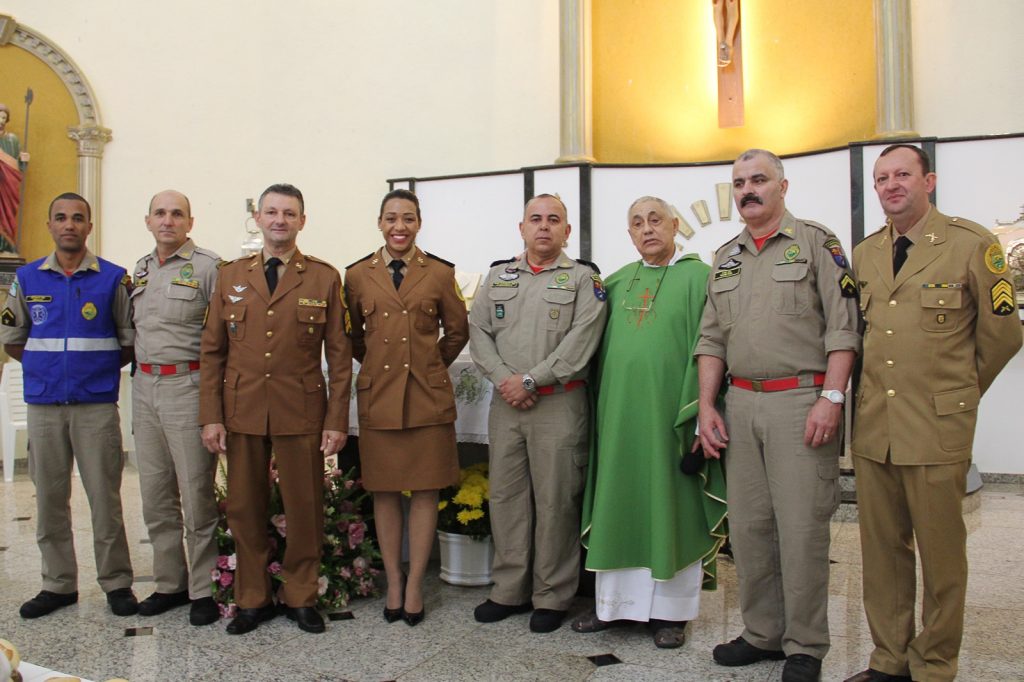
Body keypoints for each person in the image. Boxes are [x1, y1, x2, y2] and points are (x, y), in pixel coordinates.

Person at [844, 145, 1022, 682]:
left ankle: (935, 664)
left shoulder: (973, 245)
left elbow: (1003, 335)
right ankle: (889, 659)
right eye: (881, 178)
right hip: (876, 429)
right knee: (881, 556)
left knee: (942, 558)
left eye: (902, 174)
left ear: (930, 180)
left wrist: (958, 394)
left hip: (938, 430)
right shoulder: (865, 253)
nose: (891, 185)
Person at [696, 149, 861, 682]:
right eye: (740, 181)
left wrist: (832, 398)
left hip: (801, 402)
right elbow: (711, 338)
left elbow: (844, 327)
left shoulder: (816, 242)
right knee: (749, 528)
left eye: (759, 179)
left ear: (782, 187)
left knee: (801, 529)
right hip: (740, 404)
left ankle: (806, 644)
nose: (749, 189)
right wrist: (705, 406)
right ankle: (762, 633)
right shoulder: (725, 257)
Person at [199, 183, 351, 635]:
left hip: (300, 411)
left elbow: (339, 358)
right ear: (258, 218)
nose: (280, 220)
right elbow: (212, 352)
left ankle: (301, 594)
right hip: (242, 409)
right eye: (271, 212)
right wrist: (211, 415)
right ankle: (252, 598)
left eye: (289, 213)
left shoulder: (323, 277)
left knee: (304, 507)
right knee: (244, 509)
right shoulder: (230, 276)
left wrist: (336, 420)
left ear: (303, 220)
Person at [575, 196, 727, 649]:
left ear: (675, 225)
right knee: (620, 501)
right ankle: (613, 609)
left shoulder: (701, 278)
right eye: (637, 223)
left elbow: (713, 345)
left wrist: (699, 410)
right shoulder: (618, 282)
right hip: (620, 419)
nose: (647, 229)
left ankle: (671, 614)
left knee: (670, 506)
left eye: (655, 219)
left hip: (672, 418)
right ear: (629, 234)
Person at [468, 194, 607, 633]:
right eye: (535, 219)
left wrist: (531, 380)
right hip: (507, 406)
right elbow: (479, 331)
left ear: (567, 231)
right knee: (507, 499)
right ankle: (508, 590)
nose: (543, 227)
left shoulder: (585, 281)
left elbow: (582, 342)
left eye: (554, 220)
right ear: (522, 227)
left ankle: (552, 594)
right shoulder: (497, 276)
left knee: (555, 500)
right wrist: (508, 379)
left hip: (559, 404)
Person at [1, 192, 138, 619]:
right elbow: (13, 338)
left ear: (89, 227)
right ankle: (58, 584)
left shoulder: (113, 279)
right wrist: (49, 369)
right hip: (44, 406)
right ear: (49, 225)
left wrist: (89, 373)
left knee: (105, 499)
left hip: (95, 406)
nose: (69, 225)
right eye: (60, 217)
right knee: (49, 500)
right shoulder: (26, 278)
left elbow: (128, 342)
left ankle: (116, 583)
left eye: (78, 218)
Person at [344, 188, 469, 627]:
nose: (400, 226)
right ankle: (393, 580)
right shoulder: (357, 275)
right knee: (384, 491)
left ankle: (415, 582)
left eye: (409, 218)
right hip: (380, 396)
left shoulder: (437, 273)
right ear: (379, 222)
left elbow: (456, 331)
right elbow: (353, 336)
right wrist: (381, 366)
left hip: (427, 397)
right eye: (392, 218)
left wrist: (428, 364)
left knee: (425, 492)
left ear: (419, 224)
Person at [130, 190, 222, 626]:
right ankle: (170, 583)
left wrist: (214, 404)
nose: (168, 220)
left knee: (196, 492)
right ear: (148, 220)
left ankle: (203, 587)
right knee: (154, 492)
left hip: (188, 385)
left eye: (177, 214)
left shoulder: (208, 267)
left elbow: (225, 337)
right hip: (144, 385)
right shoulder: (141, 269)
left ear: (190, 221)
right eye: (160, 213)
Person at [0, 103, 30, 253]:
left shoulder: (12, 139)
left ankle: (5, 246)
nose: (1, 120)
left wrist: (23, 161)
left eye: (4, 117)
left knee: (6, 215)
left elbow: (17, 167)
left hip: (7, 185)